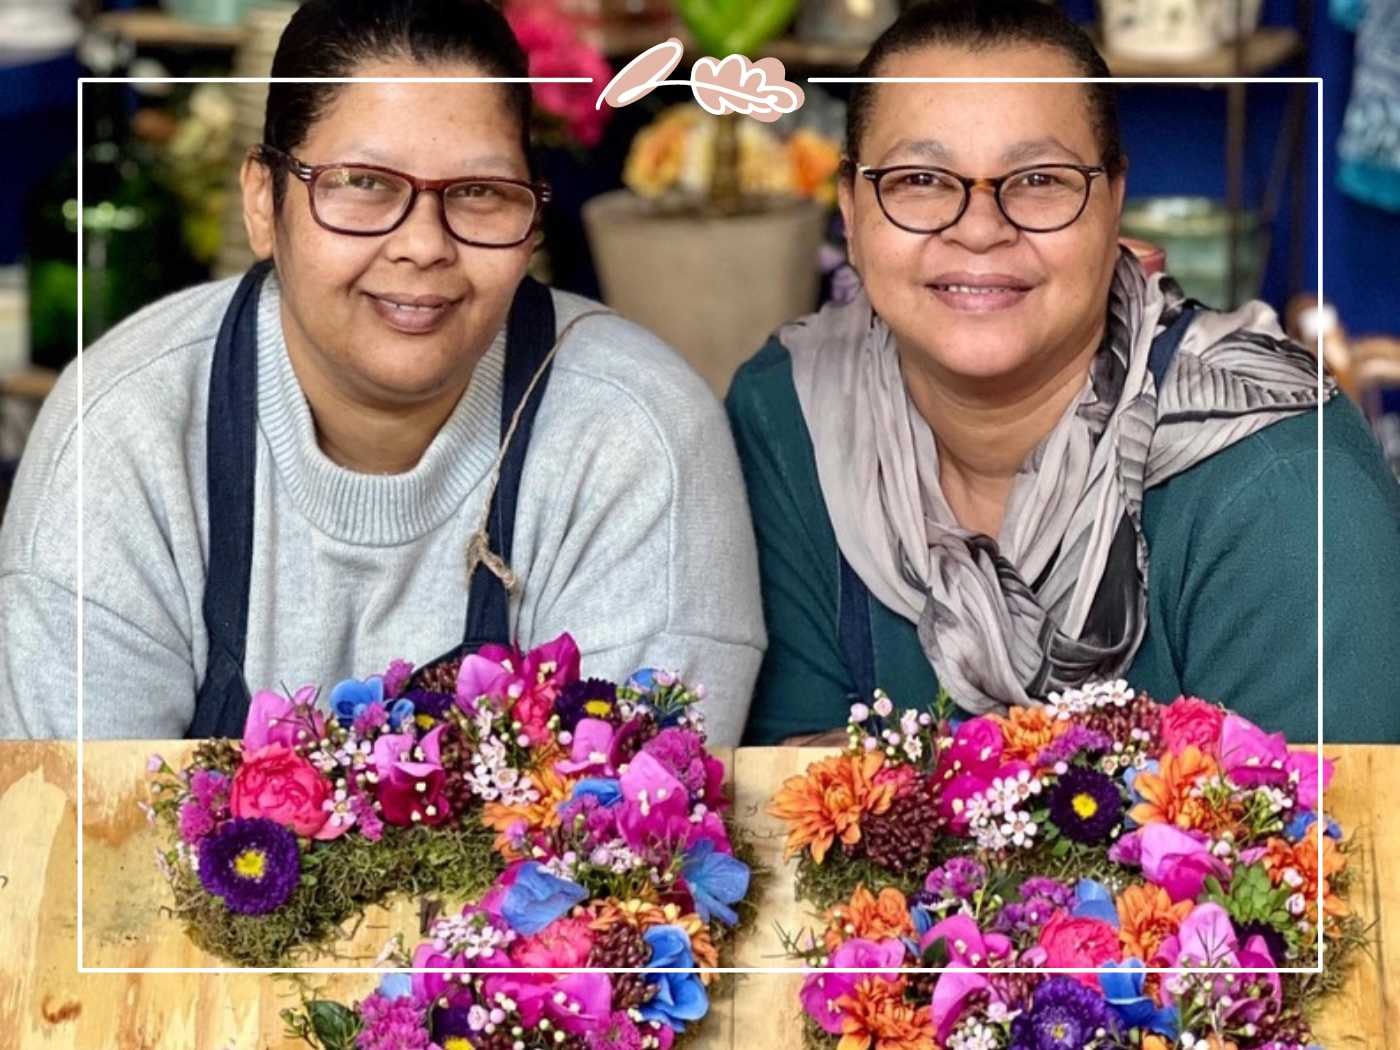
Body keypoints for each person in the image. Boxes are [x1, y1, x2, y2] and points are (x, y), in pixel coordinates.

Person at [0, 0, 764, 742]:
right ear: (264, 202)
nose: (424, 246)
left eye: (478, 193)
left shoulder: (637, 438)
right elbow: (80, 840)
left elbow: (639, 842)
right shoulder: (124, 430)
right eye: (364, 184)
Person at [728, 0, 1400, 746]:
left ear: (1114, 201)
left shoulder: (1283, 483)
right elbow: (789, 811)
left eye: (1039, 180)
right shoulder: (790, 415)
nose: (979, 228)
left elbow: (1328, 848)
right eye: (920, 178)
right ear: (851, 210)